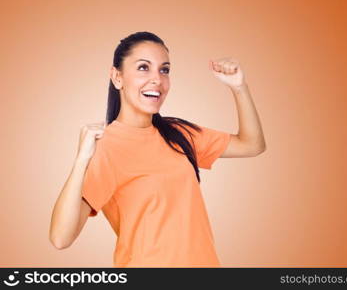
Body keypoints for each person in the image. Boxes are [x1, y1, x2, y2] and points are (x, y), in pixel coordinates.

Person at [49, 31, 266, 267]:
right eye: (143, 67)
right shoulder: (106, 147)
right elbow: (61, 238)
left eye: (164, 70)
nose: (157, 79)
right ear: (117, 77)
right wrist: (81, 160)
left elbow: (252, 145)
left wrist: (239, 87)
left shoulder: (179, 134)